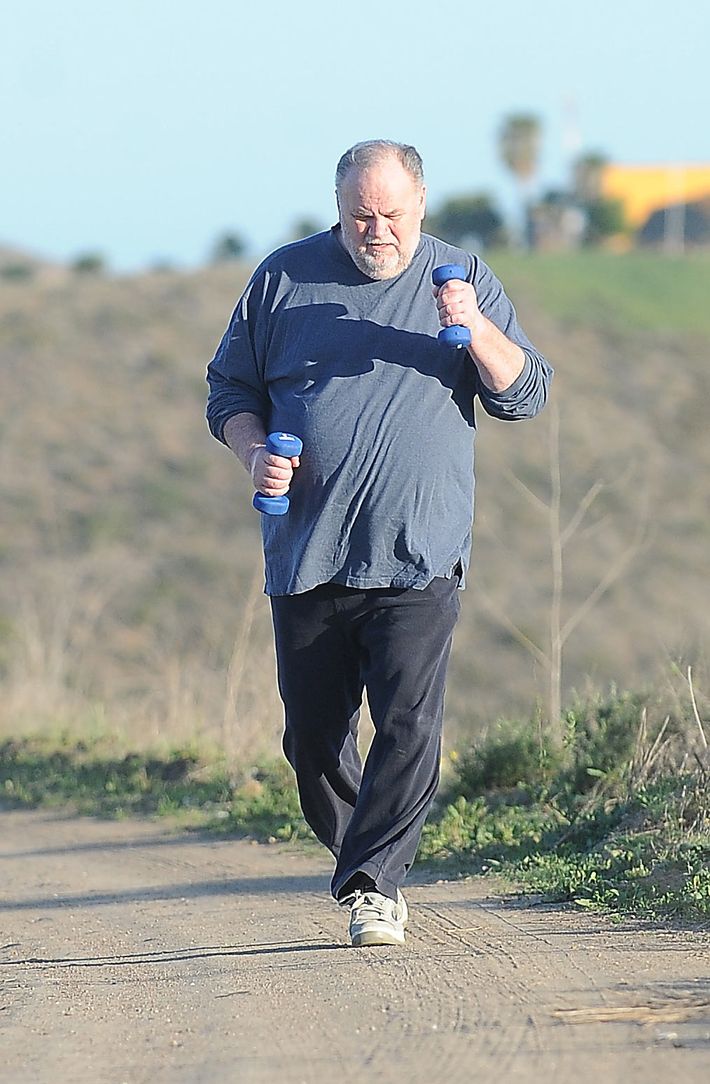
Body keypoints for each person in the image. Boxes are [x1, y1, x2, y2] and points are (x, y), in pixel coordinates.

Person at [206, 140, 553, 948]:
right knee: (313, 740)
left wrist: (473, 328)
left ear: (421, 206)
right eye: (361, 214)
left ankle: (373, 885)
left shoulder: (463, 278)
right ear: (338, 208)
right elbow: (229, 389)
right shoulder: (282, 278)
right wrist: (254, 451)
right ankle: (372, 858)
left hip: (419, 551)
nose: (377, 230)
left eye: (392, 214)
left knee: (407, 722)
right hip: (309, 550)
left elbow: (525, 394)